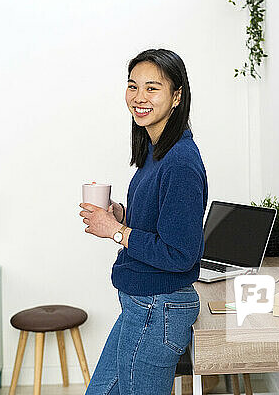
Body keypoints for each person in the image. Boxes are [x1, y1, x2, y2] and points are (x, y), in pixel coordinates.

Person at [78, 48, 208, 394]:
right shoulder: (155, 149)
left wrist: (118, 232)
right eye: (133, 86)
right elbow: (162, 224)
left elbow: (180, 253)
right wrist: (123, 216)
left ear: (177, 96)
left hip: (157, 306)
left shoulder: (179, 161)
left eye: (152, 88)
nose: (139, 98)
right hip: (142, 303)